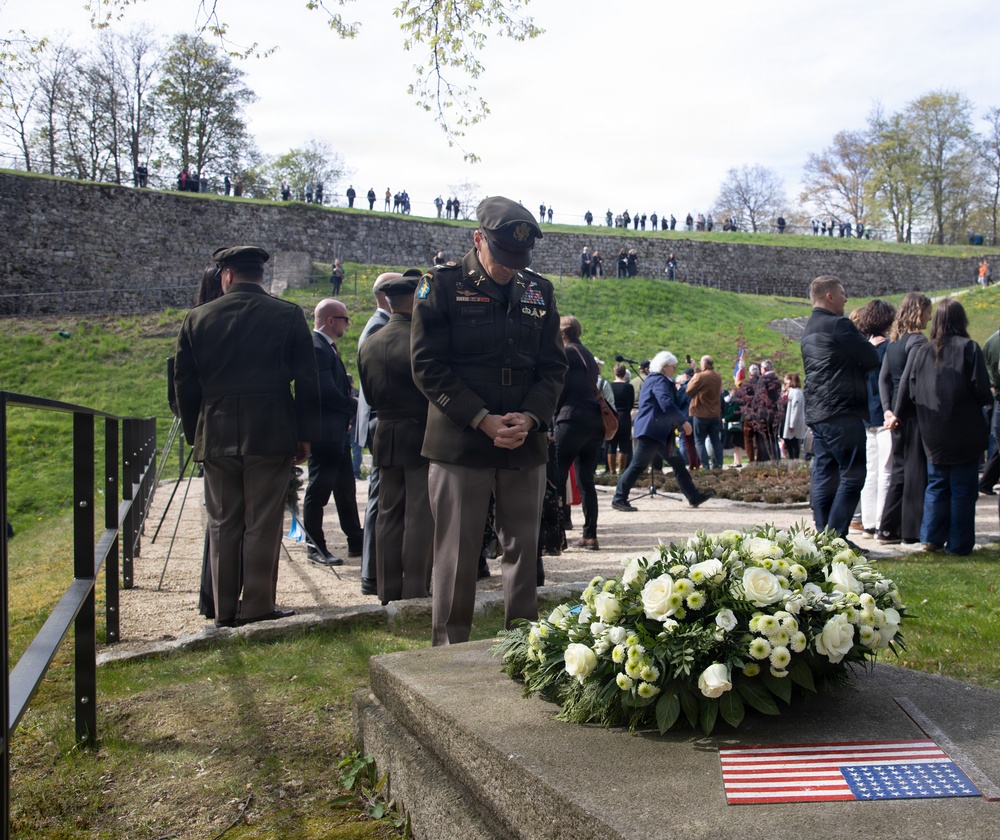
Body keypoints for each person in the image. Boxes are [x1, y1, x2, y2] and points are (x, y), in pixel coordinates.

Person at [411, 195, 567, 646]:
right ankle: (449, 649)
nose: (508, 268)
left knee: (523, 549)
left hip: (524, 440)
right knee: (457, 553)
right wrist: (480, 418)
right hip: (462, 441)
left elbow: (553, 366)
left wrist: (532, 417)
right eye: (501, 257)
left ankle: (524, 645)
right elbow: (427, 365)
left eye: (518, 260)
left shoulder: (539, 289)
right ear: (478, 239)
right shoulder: (439, 285)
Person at [174, 245, 320, 627]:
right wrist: (305, 435)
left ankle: (224, 610)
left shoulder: (196, 318)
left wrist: (196, 434)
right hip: (271, 431)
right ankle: (256, 606)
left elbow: (185, 387)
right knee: (263, 521)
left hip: (217, 432)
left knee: (223, 522)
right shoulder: (288, 315)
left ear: (226, 275)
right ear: (261, 276)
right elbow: (308, 382)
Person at [357, 271, 432, 603]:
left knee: (388, 513)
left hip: (385, 431)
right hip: (420, 430)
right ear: (415, 299)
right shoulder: (421, 338)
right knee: (418, 513)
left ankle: (387, 588)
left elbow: (369, 396)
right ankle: (415, 588)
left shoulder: (370, 342)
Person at [894, 299, 991, 554]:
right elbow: (981, 390)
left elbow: (913, 390)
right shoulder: (969, 348)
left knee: (937, 484)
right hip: (964, 428)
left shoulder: (924, 351)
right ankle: (958, 544)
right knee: (962, 488)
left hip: (932, 428)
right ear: (962, 320)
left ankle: (931, 537)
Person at [800, 275, 880, 540]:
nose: (847, 298)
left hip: (818, 412)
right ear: (830, 296)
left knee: (825, 473)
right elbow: (870, 357)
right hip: (842, 410)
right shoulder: (839, 325)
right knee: (853, 474)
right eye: (843, 293)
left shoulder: (809, 328)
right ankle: (835, 539)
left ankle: (822, 537)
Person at [611, 351, 714, 512]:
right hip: (652, 430)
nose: (674, 369)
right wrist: (683, 422)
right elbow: (665, 402)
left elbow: (672, 400)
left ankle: (693, 496)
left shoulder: (660, 380)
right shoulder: (658, 380)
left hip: (660, 431)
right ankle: (619, 498)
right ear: (665, 367)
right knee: (638, 465)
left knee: (677, 463)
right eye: (673, 367)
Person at [303, 299, 364, 566]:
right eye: (345, 318)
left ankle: (356, 540)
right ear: (330, 320)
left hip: (336, 431)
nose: (348, 323)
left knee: (345, 489)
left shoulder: (325, 348)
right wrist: (356, 405)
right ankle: (315, 546)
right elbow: (325, 392)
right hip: (324, 433)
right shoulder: (317, 348)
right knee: (318, 491)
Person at [878, 292, 932, 544]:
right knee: (914, 472)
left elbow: (884, 379)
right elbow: (908, 381)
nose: (930, 318)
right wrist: (897, 413)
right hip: (910, 415)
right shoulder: (918, 342)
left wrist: (887, 409)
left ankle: (888, 527)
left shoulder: (894, 342)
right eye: (928, 312)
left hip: (896, 415)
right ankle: (910, 531)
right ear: (919, 312)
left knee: (898, 471)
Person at [355, 274, 394, 596]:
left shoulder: (377, 325)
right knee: (380, 501)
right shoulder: (379, 327)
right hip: (383, 422)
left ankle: (375, 570)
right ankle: (372, 572)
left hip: (379, 422)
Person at [554, 316, 605, 550]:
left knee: (556, 476)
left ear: (562, 333)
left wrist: (551, 418)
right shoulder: (588, 355)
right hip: (594, 421)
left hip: (571, 418)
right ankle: (590, 535)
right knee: (586, 480)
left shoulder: (565, 353)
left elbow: (559, 389)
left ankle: (557, 535)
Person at [854, 299, 896, 536]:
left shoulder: (862, 349)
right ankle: (882, 522)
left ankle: (868, 521)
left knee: (871, 471)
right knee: (885, 470)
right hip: (883, 413)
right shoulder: (888, 348)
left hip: (865, 416)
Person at [686, 355, 723, 470]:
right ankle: (718, 465)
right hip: (715, 413)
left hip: (701, 413)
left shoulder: (701, 377)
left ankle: (705, 465)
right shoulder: (717, 376)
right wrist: (694, 367)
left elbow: (689, 390)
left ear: (705, 364)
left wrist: (693, 377)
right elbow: (704, 377)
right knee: (715, 440)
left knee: (699, 441)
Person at [608, 363, 634, 475]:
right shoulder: (629, 387)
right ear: (625, 373)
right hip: (625, 416)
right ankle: (622, 471)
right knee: (624, 444)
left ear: (615, 373)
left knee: (611, 444)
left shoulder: (609, 386)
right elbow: (631, 403)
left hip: (613, 415)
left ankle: (612, 471)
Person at [780, 372, 806, 460]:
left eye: (786, 382)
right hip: (787, 420)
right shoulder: (789, 392)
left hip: (793, 422)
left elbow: (795, 409)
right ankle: (791, 460)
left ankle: (794, 462)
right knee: (788, 443)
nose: (785, 384)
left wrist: (792, 423)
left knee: (794, 444)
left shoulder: (796, 393)